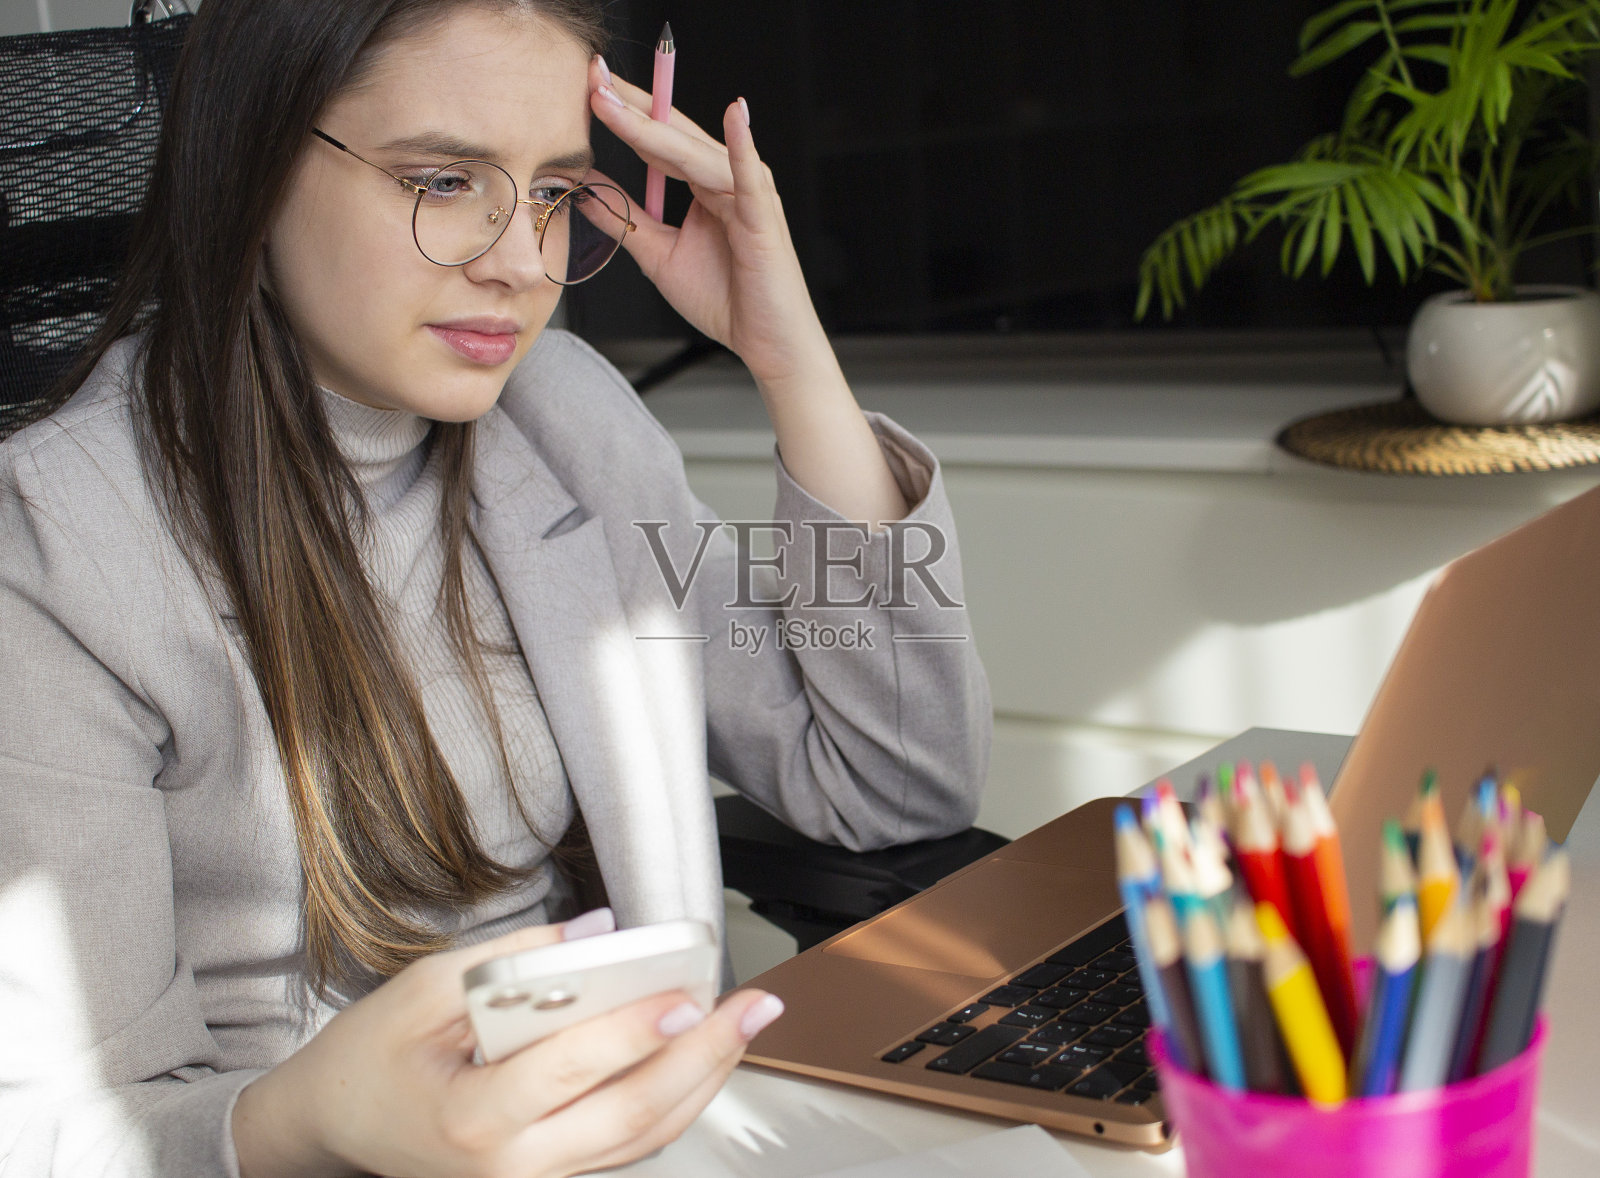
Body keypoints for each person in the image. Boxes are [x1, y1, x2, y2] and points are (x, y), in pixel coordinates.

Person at [0, 1, 990, 1175]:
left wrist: (790, 357)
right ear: (254, 167)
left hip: (663, 1134)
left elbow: (891, 779)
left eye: (557, 194)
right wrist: (309, 1121)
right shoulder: (57, 542)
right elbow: (62, 1125)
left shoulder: (566, 416)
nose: (524, 262)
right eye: (443, 181)